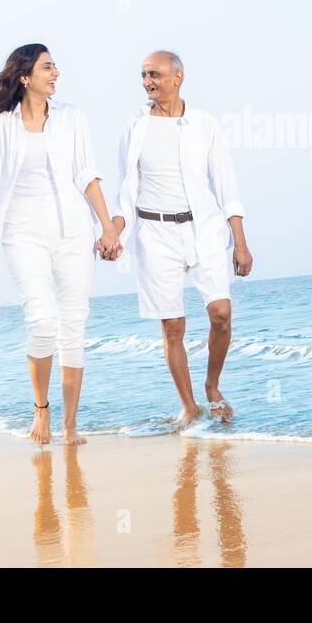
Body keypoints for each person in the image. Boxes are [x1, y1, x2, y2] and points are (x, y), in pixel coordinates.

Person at [0, 44, 121, 446]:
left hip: (73, 229)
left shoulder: (73, 118)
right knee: (42, 321)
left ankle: (71, 425)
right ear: (25, 77)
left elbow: (87, 174)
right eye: (47, 67)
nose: (55, 73)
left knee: (73, 326)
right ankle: (41, 410)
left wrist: (107, 228)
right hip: (22, 231)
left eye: (56, 66)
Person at [110, 51, 253, 427]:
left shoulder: (204, 125)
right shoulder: (134, 127)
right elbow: (126, 188)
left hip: (203, 228)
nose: (147, 82)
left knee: (221, 313)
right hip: (155, 233)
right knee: (172, 327)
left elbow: (227, 184)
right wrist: (114, 232)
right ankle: (189, 407)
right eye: (142, 76)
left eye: (154, 74)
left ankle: (212, 386)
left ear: (178, 77)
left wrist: (239, 240)